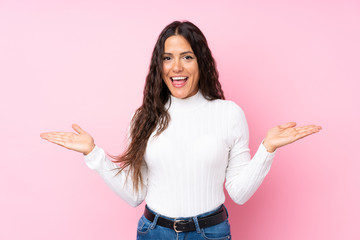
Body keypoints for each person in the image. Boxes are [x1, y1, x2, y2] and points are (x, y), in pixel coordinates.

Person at [40, 21, 322, 240]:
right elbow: (135, 195)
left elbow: (239, 193)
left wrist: (267, 149)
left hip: (210, 232)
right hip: (154, 232)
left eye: (186, 57)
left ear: (201, 61)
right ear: (159, 65)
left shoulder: (228, 113)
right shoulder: (143, 117)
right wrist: (94, 154)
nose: (176, 67)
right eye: (167, 58)